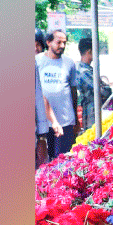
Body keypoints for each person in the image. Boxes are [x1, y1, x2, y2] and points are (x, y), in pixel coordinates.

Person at [36, 29, 79, 159]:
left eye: (64, 43)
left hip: (66, 120)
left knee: (64, 159)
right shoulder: (37, 61)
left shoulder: (69, 63)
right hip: (44, 122)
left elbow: (73, 91)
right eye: (58, 42)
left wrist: (76, 119)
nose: (62, 46)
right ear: (48, 42)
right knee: (45, 161)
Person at [75, 37, 111, 131]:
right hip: (91, 112)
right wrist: (106, 86)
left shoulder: (86, 69)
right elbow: (105, 91)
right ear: (90, 51)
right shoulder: (84, 71)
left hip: (93, 110)